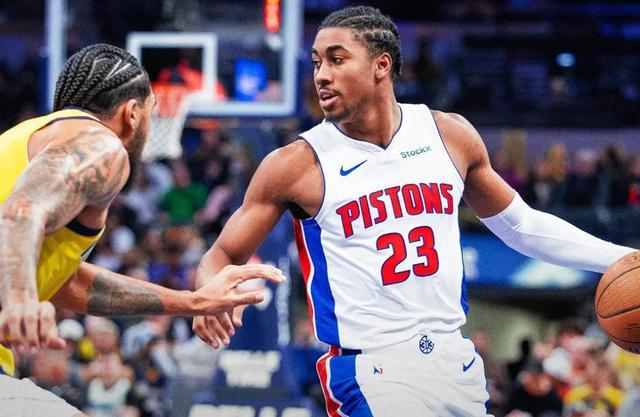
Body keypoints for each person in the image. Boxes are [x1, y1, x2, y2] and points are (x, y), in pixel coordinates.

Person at [192, 6, 635, 417]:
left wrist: (623, 258)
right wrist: (207, 295)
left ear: (381, 65)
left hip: (455, 362)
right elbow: (221, 254)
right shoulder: (296, 164)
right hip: (370, 372)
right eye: (317, 62)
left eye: (337, 59)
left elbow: (521, 226)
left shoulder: (449, 134)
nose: (321, 75)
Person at [0, 44, 285, 417]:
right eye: (152, 112)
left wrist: (191, 302)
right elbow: (20, 212)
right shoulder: (101, 145)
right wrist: (21, 297)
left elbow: (67, 282)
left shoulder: (25, 141)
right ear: (132, 113)